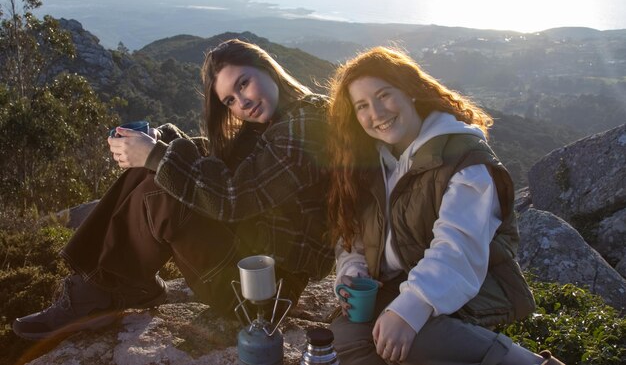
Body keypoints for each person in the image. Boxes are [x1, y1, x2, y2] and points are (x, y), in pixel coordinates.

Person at [13, 39, 334, 340]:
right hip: (246, 265)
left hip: (262, 294)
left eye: (243, 83)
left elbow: (236, 196)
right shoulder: (274, 123)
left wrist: (156, 155)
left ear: (267, 66)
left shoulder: (308, 124)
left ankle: (103, 292)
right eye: (230, 101)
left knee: (160, 183)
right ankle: (103, 286)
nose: (243, 102)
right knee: (155, 170)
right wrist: (163, 141)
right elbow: (221, 163)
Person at [326, 47, 566, 365]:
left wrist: (410, 309)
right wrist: (352, 272)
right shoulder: (373, 161)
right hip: (400, 282)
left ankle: (525, 362)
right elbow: (354, 236)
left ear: (410, 91)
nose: (377, 112)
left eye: (384, 95)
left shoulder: (466, 160)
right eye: (362, 106)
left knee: (416, 335)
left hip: (471, 283)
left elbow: (458, 250)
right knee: (345, 338)